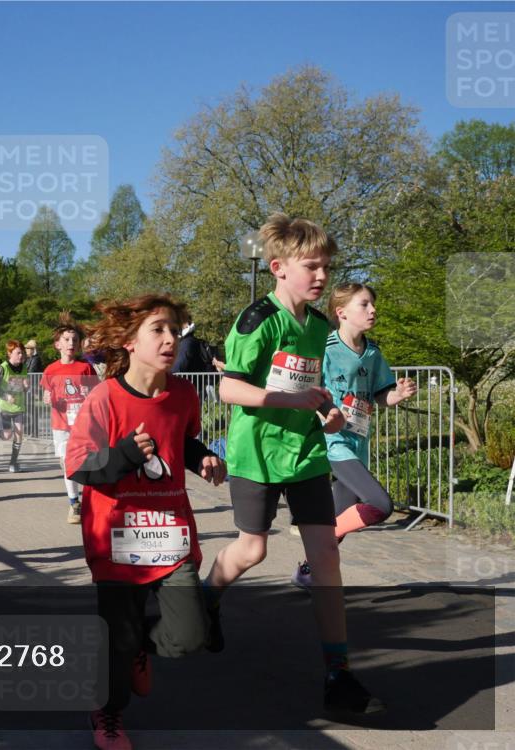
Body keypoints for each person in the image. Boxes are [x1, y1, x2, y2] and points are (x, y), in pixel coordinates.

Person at [202, 214, 384, 716]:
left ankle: (339, 675)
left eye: (327, 266)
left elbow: (312, 388)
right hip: (256, 454)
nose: (323, 275)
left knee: (326, 557)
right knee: (253, 551)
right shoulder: (257, 319)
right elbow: (229, 387)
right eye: (313, 266)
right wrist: (289, 400)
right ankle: (206, 599)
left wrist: (326, 410)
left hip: (305, 456)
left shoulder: (322, 326)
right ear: (279, 268)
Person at [64, 295, 226, 750]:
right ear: (131, 342)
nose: (171, 338)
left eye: (174, 329)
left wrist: (205, 458)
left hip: (171, 532)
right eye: (158, 329)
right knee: (116, 637)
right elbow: (78, 465)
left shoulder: (183, 394)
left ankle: (139, 648)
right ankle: (107, 712)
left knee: (190, 636)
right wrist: (126, 456)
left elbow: (182, 441)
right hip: (115, 536)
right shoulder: (105, 398)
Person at [291, 283, 417, 587]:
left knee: (342, 515)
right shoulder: (326, 347)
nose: (372, 310)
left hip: (358, 441)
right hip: (331, 442)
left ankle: (308, 570)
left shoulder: (373, 352)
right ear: (342, 312)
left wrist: (397, 394)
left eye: (373, 304)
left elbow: (380, 395)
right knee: (379, 505)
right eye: (364, 305)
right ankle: (320, 544)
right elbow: (304, 390)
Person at [40, 314, 98, 524]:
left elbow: (97, 393)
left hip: (84, 425)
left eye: (74, 340)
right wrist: (46, 397)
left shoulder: (85, 368)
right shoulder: (51, 370)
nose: (71, 343)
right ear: (57, 344)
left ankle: (92, 501)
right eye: (66, 340)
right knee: (67, 463)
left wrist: (88, 393)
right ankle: (74, 503)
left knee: (88, 463)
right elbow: (46, 394)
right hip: (61, 425)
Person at [0, 341, 30, 472]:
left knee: (19, 433)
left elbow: (24, 385)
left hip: (19, 407)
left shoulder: (23, 367)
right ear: (10, 353)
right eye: (18, 353)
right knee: (6, 436)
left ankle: (13, 462)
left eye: (22, 352)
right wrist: (6, 396)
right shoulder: (3, 367)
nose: (21, 355)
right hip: (5, 406)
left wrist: (26, 387)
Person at [24, 340, 44, 436]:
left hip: (33, 387)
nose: (26, 350)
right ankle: (28, 429)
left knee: (32, 409)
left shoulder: (36, 359)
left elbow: (31, 371)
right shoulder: (28, 359)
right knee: (28, 408)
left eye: (28, 348)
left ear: (33, 349)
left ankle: (34, 431)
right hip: (27, 386)